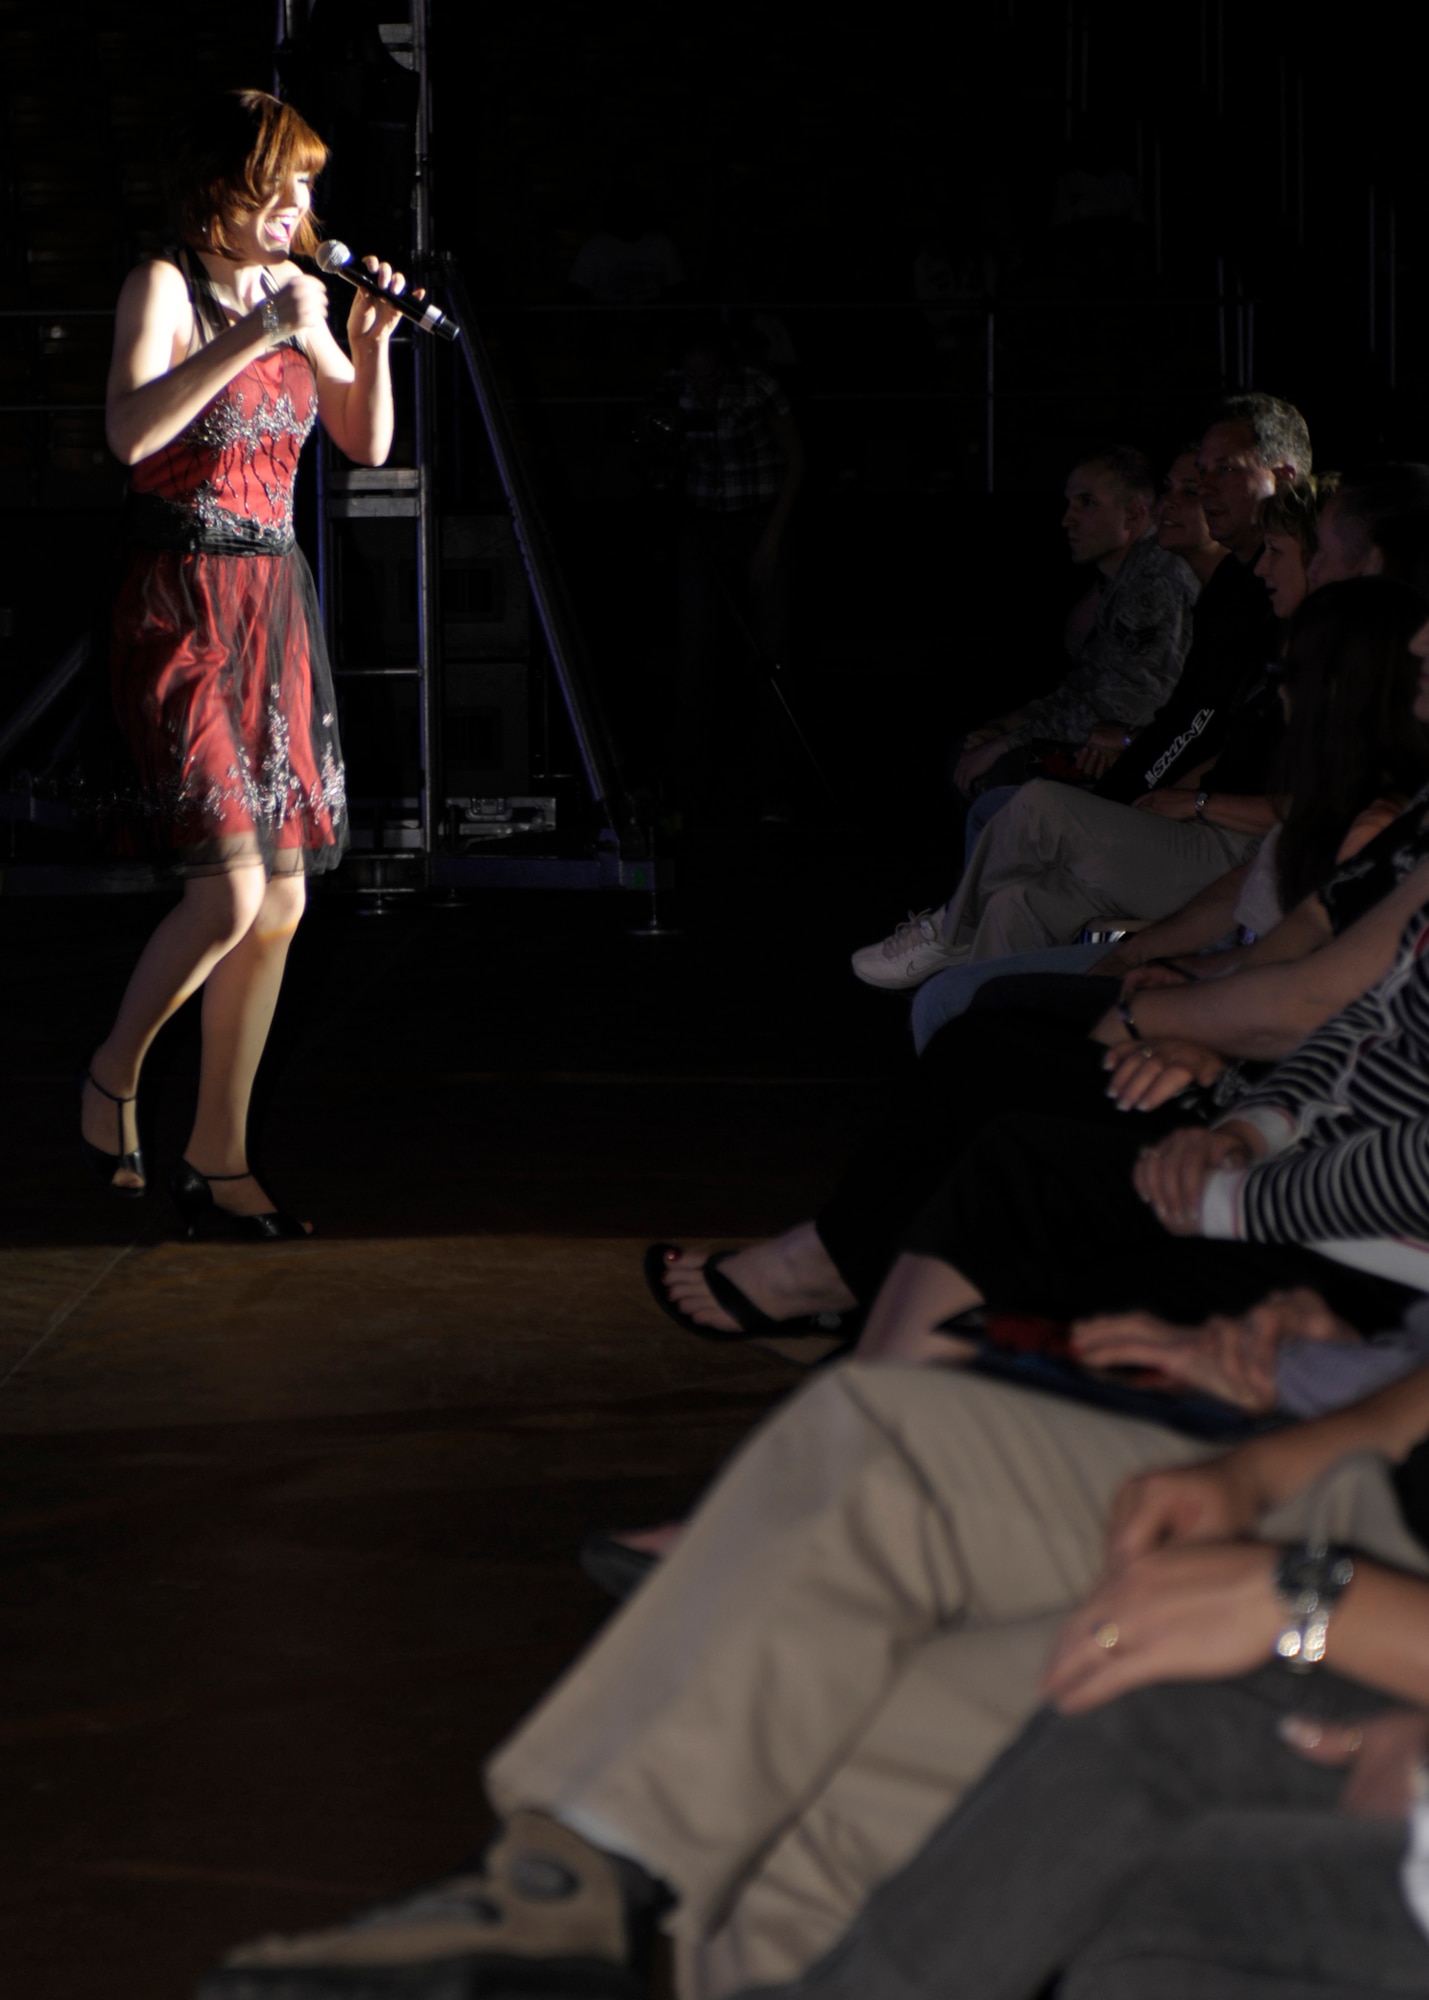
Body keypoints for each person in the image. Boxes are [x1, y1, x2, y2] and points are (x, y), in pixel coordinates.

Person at [198, 1343, 1429, 2000]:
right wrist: (1271, 1469)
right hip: (1375, 1516)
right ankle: (560, 1884)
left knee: (838, 1740)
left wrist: (1323, 1601)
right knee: (880, 1433)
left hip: (1382, 1608)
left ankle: (596, 1893)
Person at [79, 88, 411, 1237]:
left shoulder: (296, 293)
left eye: (309, 189)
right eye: (284, 188)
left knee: (282, 900)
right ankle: (114, 1071)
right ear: (224, 190)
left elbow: (365, 441)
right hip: (179, 597)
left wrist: (362, 347)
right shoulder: (165, 285)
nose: (300, 210)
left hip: (273, 596)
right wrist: (251, 339)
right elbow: (130, 438)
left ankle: (218, 1155)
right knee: (227, 884)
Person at [853, 393, 1301, 990]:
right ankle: (979, 1044)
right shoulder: (1235, 593)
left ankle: (952, 930)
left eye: (1223, 472)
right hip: (1193, 824)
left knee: (1034, 804)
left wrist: (1157, 795)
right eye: (1201, 475)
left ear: (1283, 478)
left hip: (1239, 856)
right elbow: (1198, 726)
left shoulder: (1305, 625)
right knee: (1017, 901)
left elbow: (1234, 752)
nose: (1204, 487)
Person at [949, 444, 1198, 812]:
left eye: (1087, 503)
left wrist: (1008, 744)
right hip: (1101, 744)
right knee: (974, 753)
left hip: (1135, 760)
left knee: (1003, 769)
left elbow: (1122, 705)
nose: (1069, 519)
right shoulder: (1122, 581)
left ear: (1133, 513)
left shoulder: (1153, 581)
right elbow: (1082, 687)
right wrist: (1005, 729)